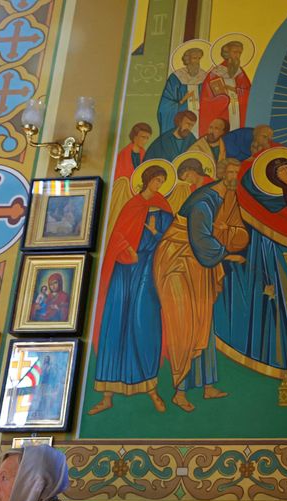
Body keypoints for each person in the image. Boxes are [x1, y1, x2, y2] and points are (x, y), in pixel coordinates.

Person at [154, 158, 247, 411]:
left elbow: (235, 231)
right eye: (231, 171)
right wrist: (227, 255)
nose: (234, 176)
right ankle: (179, 391)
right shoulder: (205, 200)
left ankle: (207, 386)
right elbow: (200, 237)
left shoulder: (227, 199)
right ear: (221, 174)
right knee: (184, 322)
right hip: (177, 261)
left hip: (198, 263)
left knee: (204, 320)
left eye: (238, 172)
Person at [89, 165, 174, 415]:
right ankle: (107, 395)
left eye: (162, 181)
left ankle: (151, 389)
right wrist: (129, 251)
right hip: (124, 271)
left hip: (148, 269)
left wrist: (156, 234)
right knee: (115, 322)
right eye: (156, 180)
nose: (158, 185)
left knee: (143, 322)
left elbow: (170, 238)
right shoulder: (132, 205)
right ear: (147, 180)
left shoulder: (163, 207)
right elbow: (117, 236)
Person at [200, 40, 251, 135]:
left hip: (240, 115)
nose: (237, 55)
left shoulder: (240, 73)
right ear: (227, 53)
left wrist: (235, 91)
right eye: (235, 52)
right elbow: (213, 97)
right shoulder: (216, 73)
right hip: (224, 114)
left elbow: (249, 93)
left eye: (240, 53)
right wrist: (226, 96)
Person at [158, 47, 207, 135]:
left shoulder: (204, 76)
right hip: (183, 120)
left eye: (199, 58)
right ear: (187, 60)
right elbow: (165, 105)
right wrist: (182, 101)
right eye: (194, 58)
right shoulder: (176, 77)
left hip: (201, 119)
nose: (197, 61)